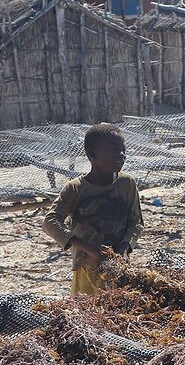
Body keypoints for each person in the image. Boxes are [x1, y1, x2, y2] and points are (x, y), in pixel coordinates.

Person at [43, 123, 143, 295]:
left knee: (118, 312)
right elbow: (50, 222)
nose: (121, 155)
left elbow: (135, 221)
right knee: (88, 314)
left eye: (123, 150)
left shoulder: (126, 184)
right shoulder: (75, 189)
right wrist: (87, 247)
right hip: (86, 268)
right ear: (92, 155)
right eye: (113, 150)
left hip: (118, 267)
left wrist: (124, 248)